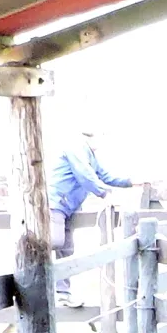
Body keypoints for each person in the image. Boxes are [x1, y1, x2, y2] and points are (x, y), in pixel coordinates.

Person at [46, 129, 132, 308]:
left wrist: (131, 181)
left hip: (68, 207)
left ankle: (63, 294)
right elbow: (84, 174)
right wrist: (103, 193)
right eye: (98, 135)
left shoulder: (90, 156)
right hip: (56, 203)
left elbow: (104, 176)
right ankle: (36, 284)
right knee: (55, 241)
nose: (100, 141)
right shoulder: (76, 149)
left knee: (67, 250)